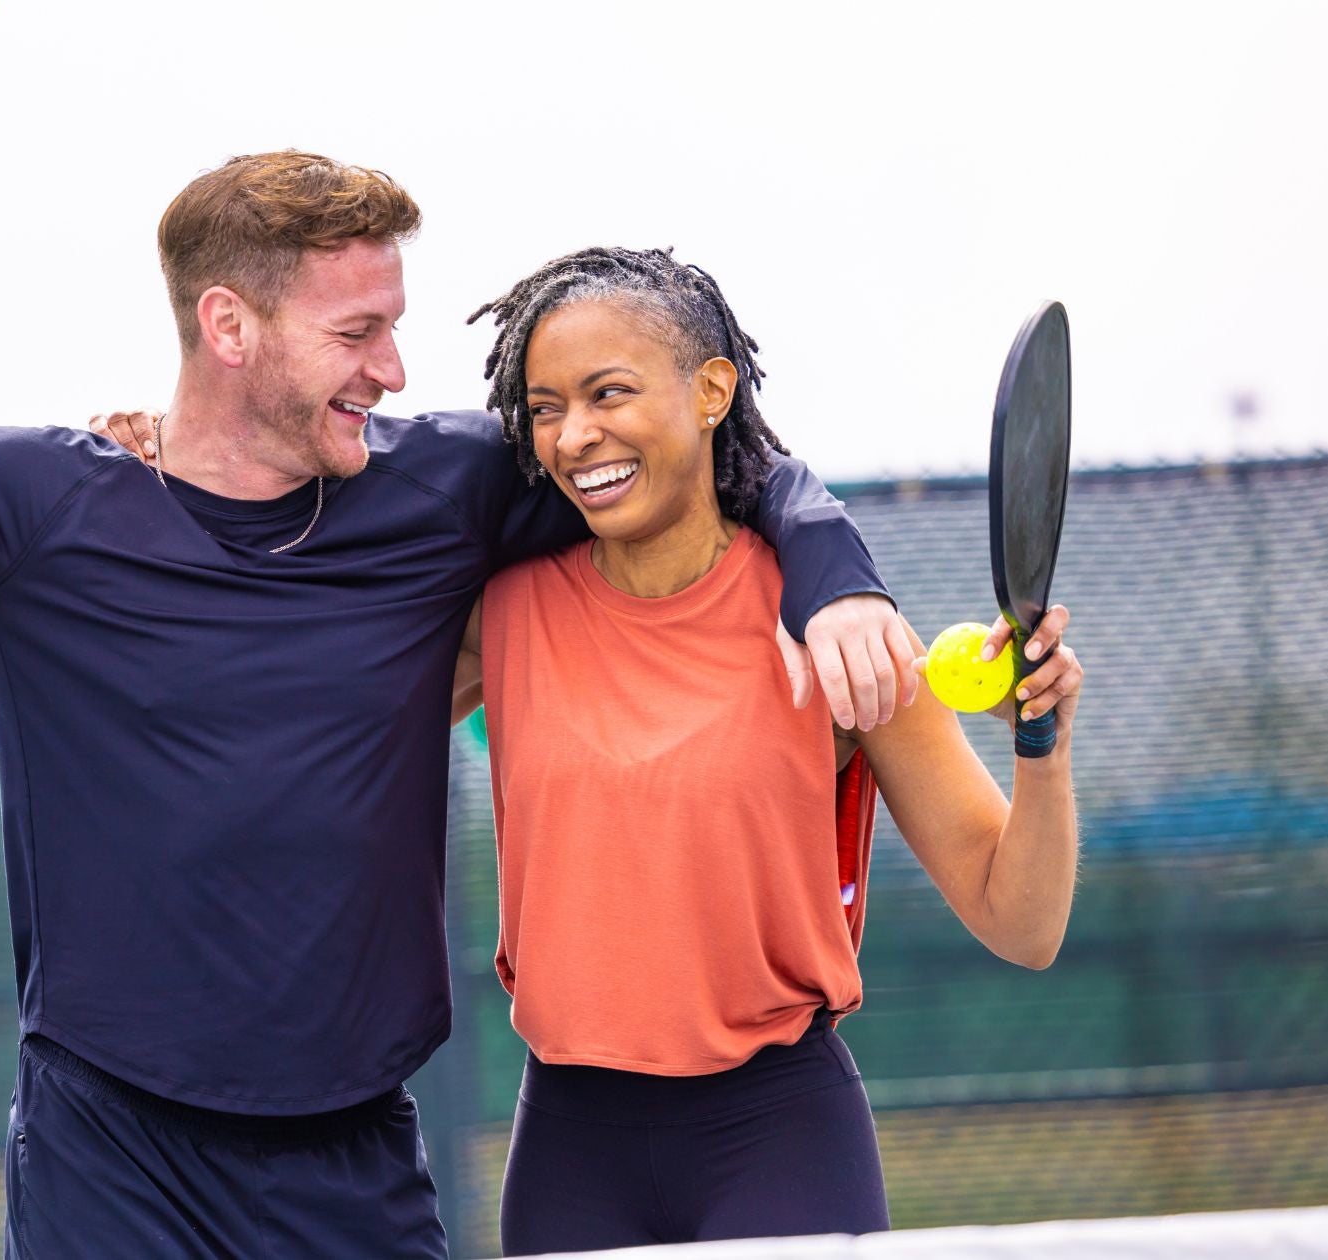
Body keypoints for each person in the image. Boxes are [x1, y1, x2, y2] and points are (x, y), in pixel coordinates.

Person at [0, 10, 913, 1255]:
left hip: (352, 1160)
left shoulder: (440, 492)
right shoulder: (35, 514)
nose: (392, 368)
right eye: (355, 333)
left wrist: (830, 566)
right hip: (107, 1157)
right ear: (228, 329)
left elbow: (680, 451)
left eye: (391, 324)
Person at [445, 246, 1084, 1254]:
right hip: (568, 1146)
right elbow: (301, 701)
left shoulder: (842, 636)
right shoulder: (502, 617)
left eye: (608, 392)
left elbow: (1022, 921)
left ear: (709, 391)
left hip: (776, 1136)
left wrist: (1039, 745)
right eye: (544, 407)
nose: (575, 435)